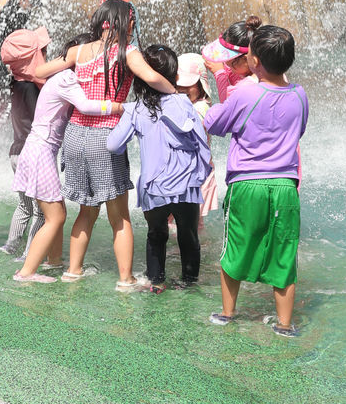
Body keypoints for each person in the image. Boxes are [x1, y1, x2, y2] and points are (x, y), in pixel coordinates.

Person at [39, 0, 176, 291]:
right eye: (132, 22)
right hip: (105, 137)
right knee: (119, 216)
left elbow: (40, 73)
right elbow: (151, 77)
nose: (134, 27)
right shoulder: (126, 52)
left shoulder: (78, 51)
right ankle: (125, 279)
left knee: (86, 209)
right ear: (121, 23)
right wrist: (176, 94)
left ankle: (73, 271)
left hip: (75, 135)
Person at [205, 25, 309, 338]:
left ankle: (226, 314)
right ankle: (284, 325)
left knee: (235, 246)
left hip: (247, 184)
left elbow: (216, 124)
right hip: (285, 186)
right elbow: (298, 130)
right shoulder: (299, 95)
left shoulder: (245, 92)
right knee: (284, 253)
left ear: (255, 62)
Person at [13, 35, 124, 284]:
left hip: (39, 150)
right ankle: (26, 272)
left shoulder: (61, 78)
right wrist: (117, 107)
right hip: (40, 151)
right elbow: (85, 106)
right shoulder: (66, 78)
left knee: (57, 210)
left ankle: (54, 261)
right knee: (56, 216)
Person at [107, 46, 211, 293]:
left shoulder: (136, 109)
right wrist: (202, 174)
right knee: (188, 236)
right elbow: (201, 142)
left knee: (156, 235)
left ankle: (157, 282)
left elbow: (113, 145)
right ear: (173, 77)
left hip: (154, 187)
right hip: (186, 185)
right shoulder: (185, 103)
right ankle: (188, 283)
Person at [0, 25, 50, 258]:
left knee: (24, 205)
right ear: (33, 59)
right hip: (32, 154)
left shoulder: (16, 84)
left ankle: (11, 244)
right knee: (41, 211)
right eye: (43, 52)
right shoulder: (33, 89)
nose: (46, 56)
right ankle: (29, 252)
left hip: (16, 152)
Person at [176, 52, 218, 220]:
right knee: (190, 222)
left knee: (187, 223)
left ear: (201, 84)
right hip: (192, 172)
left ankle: (187, 246)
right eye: (178, 84)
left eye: (189, 84)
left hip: (196, 174)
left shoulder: (201, 107)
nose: (182, 89)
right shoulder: (190, 104)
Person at [0, 0, 42, 94]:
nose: (33, 6)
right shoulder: (10, 13)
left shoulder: (22, 12)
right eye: (32, 2)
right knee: (8, 102)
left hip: (10, 65)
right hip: (1, 64)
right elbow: (0, 43)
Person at [202, 15, 261, 102]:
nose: (225, 61)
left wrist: (220, 74)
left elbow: (226, 107)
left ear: (246, 59)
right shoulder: (270, 74)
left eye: (229, 57)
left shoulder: (242, 90)